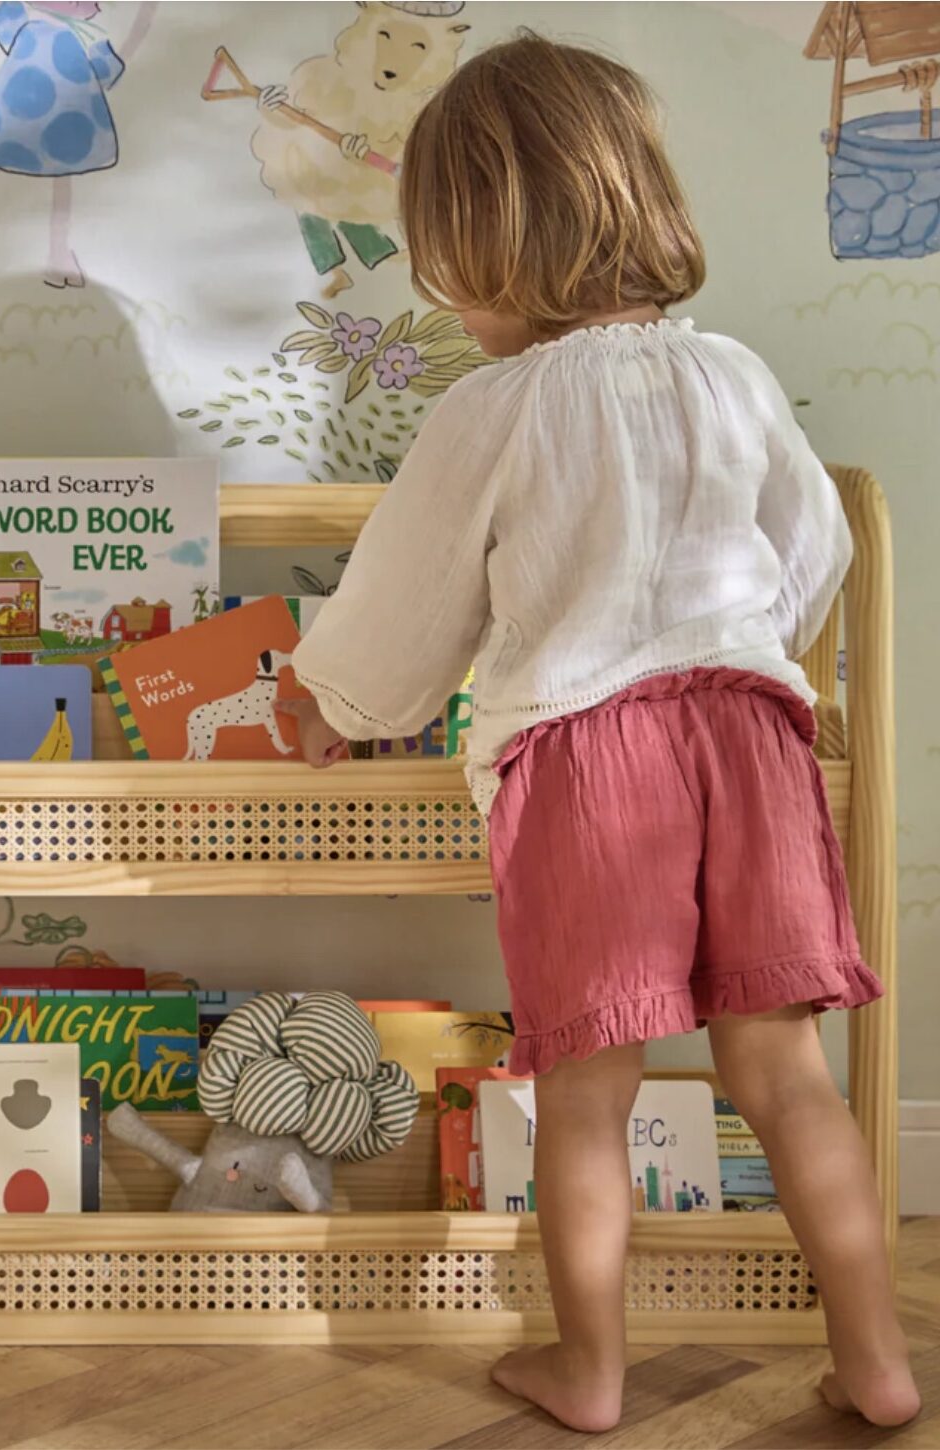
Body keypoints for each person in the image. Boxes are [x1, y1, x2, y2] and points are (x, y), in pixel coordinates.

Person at [278, 34, 920, 1433]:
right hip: (749, 739)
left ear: (491, 251)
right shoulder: (735, 376)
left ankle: (592, 1367)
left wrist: (332, 706)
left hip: (588, 757)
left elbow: (408, 600)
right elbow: (809, 554)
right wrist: (743, 659)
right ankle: (877, 1361)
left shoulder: (489, 414)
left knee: (585, 1083)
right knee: (784, 1073)